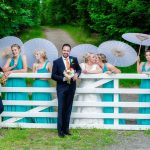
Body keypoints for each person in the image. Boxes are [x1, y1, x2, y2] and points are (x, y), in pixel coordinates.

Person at [51, 44, 81, 137]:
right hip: (61, 88)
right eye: (64, 50)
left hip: (71, 87)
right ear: (62, 50)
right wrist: (63, 78)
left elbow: (79, 69)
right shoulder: (56, 62)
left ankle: (66, 129)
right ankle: (60, 131)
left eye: (67, 51)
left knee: (68, 108)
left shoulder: (73, 59)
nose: (66, 52)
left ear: (70, 51)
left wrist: (77, 74)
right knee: (61, 108)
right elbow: (53, 75)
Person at [3, 44, 30, 122]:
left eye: (15, 50)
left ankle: (21, 120)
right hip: (11, 83)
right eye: (12, 50)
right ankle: (9, 120)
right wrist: (12, 66)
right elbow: (4, 69)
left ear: (19, 50)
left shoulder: (23, 57)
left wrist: (12, 71)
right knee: (11, 99)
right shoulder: (10, 59)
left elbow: (25, 70)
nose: (14, 52)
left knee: (20, 98)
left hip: (20, 82)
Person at [73, 53, 103, 125]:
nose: (95, 58)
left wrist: (89, 72)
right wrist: (80, 72)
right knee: (83, 100)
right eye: (93, 57)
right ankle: (81, 121)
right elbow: (76, 71)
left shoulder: (96, 66)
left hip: (93, 85)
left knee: (93, 101)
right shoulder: (82, 65)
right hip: (84, 85)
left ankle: (94, 122)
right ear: (88, 58)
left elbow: (100, 71)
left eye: (95, 57)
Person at [96, 53, 125, 125]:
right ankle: (108, 121)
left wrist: (111, 72)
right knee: (105, 103)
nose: (95, 59)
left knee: (111, 101)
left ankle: (115, 121)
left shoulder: (108, 65)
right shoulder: (98, 67)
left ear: (101, 59)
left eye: (96, 58)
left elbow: (119, 71)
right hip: (103, 86)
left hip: (110, 85)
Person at [32, 50, 56, 123]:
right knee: (37, 101)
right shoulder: (34, 65)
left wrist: (40, 77)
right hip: (36, 85)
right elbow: (33, 78)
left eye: (37, 54)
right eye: (35, 54)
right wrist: (35, 70)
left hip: (44, 85)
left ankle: (46, 119)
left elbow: (52, 76)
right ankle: (37, 120)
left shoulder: (48, 64)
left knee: (45, 101)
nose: (35, 55)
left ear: (42, 55)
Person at [137, 50, 150, 125]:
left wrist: (145, 73)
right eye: (147, 55)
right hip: (144, 84)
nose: (148, 57)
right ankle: (142, 122)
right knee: (143, 100)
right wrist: (138, 62)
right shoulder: (142, 63)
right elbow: (139, 73)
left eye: (149, 55)